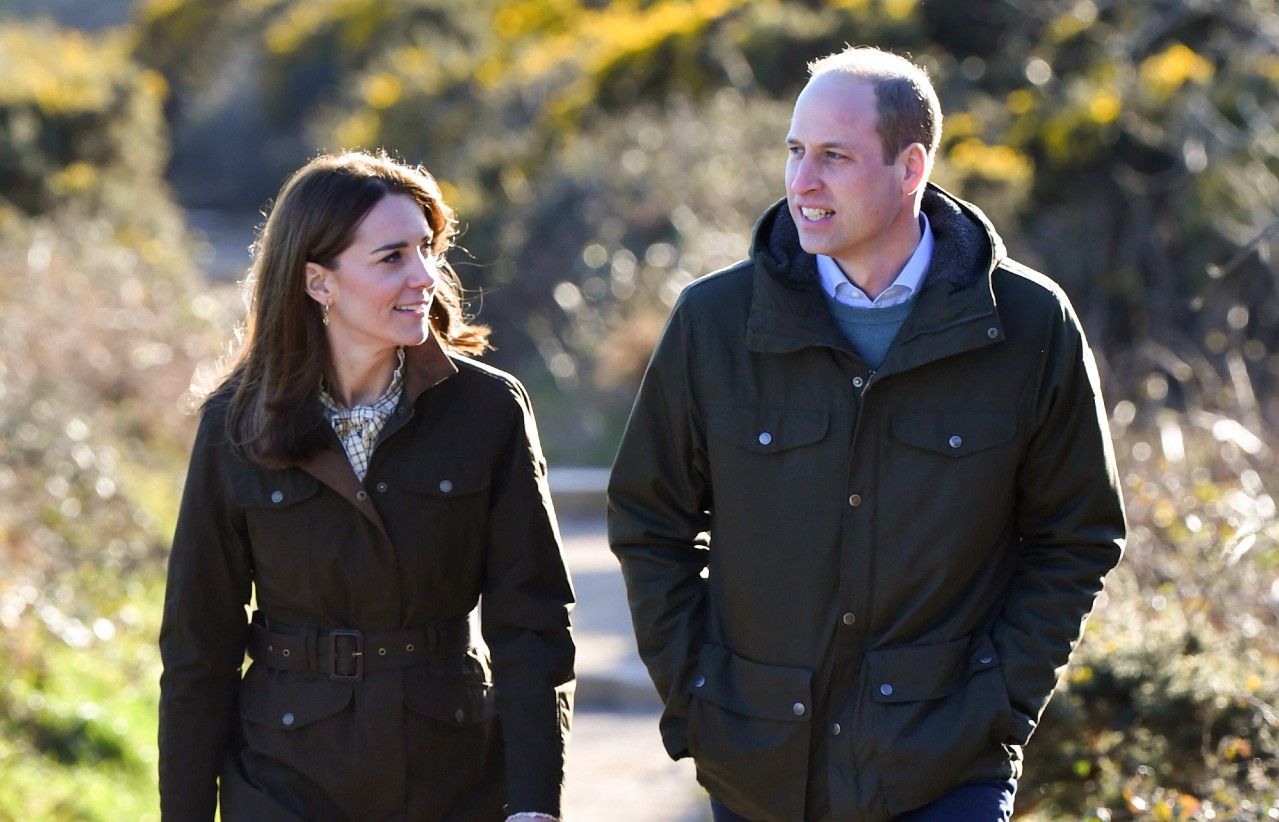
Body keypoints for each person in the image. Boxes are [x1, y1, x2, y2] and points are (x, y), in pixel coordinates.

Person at [607, 46, 1125, 821]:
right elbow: (651, 522)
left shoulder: (1027, 325)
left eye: (833, 157)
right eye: (793, 152)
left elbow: (1075, 534)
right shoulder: (714, 322)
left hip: (945, 768)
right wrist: (699, 698)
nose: (800, 183)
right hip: (760, 769)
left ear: (909, 167)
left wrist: (998, 702)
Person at [159, 151, 574, 821]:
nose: (424, 279)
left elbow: (532, 625)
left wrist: (534, 806)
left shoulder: (488, 410)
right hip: (281, 780)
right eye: (391, 258)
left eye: (427, 251)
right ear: (318, 283)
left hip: (452, 774)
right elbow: (196, 646)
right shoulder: (236, 422)